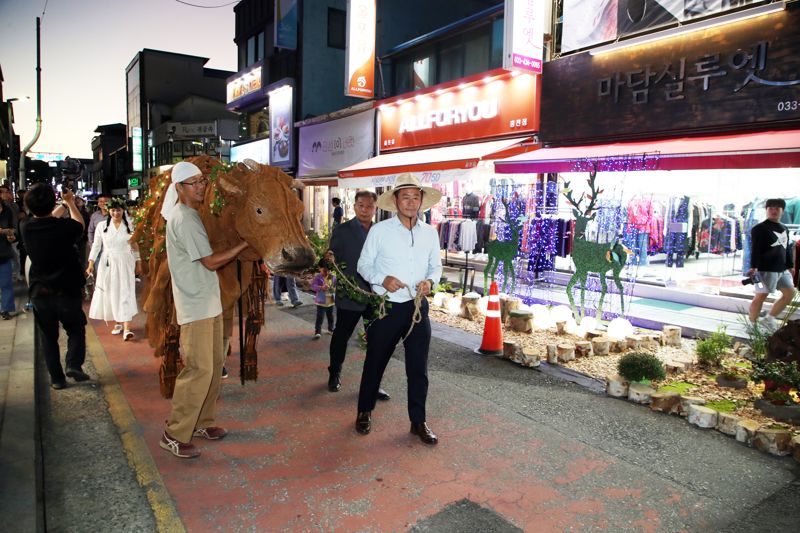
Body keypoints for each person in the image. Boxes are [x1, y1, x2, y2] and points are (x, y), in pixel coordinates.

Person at [158, 161, 250, 459]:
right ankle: (174, 432)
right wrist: (241, 245)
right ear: (178, 188)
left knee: (212, 365)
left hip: (207, 303)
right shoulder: (183, 218)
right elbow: (210, 262)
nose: (201, 186)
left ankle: (203, 422)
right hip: (196, 306)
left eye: (201, 181)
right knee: (199, 369)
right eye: (193, 183)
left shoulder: (192, 215)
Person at [355, 173, 442, 445]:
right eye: (405, 196)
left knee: (418, 369)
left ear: (422, 201)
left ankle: (418, 421)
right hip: (388, 309)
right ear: (395, 200)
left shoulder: (430, 233)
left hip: (417, 309)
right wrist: (383, 279)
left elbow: (435, 267)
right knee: (375, 362)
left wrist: (431, 281)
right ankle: (364, 411)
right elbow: (363, 265)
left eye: (416, 197)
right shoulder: (380, 231)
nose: (411, 202)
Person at [22, 185, 90, 389]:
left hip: (40, 291)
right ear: (52, 203)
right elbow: (80, 224)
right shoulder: (64, 227)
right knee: (76, 328)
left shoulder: (26, 226)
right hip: (67, 289)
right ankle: (73, 364)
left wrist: (60, 204)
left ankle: (57, 379)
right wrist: (69, 202)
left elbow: (46, 216)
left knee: (48, 337)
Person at [327, 190, 390, 401]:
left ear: (375, 208)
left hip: (376, 295)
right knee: (341, 337)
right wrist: (327, 258)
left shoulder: (381, 231)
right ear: (354, 207)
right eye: (361, 206)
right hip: (350, 294)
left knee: (377, 341)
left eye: (369, 206)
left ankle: (374, 384)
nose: (365, 210)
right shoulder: (343, 230)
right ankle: (334, 372)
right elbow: (330, 257)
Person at [86, 197, 141, 339]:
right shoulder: (102, 226)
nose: (116, 213)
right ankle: (118, 320)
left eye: (119, 210)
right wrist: (91, 263)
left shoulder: (130, 224)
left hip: (125, 261)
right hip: (108, 262)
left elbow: (134, 245)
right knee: (112, 291)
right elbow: (97, 245)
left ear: (123, 210)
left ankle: (127, 328)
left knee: (125, 291)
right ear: (108, 211)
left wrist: (138, 261)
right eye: (113, 210)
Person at [747, 198, 796, 330]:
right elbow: (755, 249)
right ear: (766, 210)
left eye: (777, 208)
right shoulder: (759, 228)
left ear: (782, 210)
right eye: (771, 208)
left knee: (790, 293)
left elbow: (786, 248)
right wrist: (753, 266)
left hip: (782, 268)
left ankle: (769, 318)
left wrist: (791, 266)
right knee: (760, 296)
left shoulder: (784, 228)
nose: (773, 211)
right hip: (764, 269)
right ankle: (751, 324)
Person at [0, 188, 18, 320]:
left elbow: (13, 228)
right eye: (2, 192)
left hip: (4, 251)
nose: (5, 194)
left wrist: (11, 234)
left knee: (6, 283)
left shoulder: (7, 211)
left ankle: (6, 309)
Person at [310, 258, 336, 340]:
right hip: (321, 302)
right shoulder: (318, 277)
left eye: (328, 271)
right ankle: (317, 331)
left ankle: (331, 329)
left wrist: (333, 289)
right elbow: (313, 286)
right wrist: (321, 287)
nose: (326, 273)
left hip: (330, 302)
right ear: (319, 269)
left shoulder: (333, 277)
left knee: (331, 317)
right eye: (324, 271)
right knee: (320, 317)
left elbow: (335, 287)